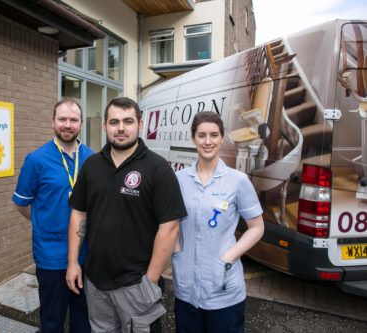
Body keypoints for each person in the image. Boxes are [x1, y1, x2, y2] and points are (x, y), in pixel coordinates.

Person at [66, 97, 187, 333]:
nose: (121, 127)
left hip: (136, 285)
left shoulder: (158, 169)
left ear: (140, 125)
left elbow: (170, 228)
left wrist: (150, 282)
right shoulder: (91, 165)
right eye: (114, 122)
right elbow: (79, 214)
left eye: (128, 121)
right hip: (96, 283)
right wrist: (73, 263)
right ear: (105, 126)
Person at [172, 111, 265, 333]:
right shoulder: (179, 180)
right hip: (186, 290)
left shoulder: (238, 181)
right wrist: (177, 252)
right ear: (193, 138)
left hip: (225, 293)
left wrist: (228, 257)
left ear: (222, 138)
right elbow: (171, 224)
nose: (208, 141)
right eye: (202, 135)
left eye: (214, 135)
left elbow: (257, 227)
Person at [12, 99, 93, 333]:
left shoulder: (92, 159)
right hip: (51, 257)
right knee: (52, 320)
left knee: (84, 318)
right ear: (53, 122)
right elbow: (22, 205)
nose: (67, 125)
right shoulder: (36, 160)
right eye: (62, 119)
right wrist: (45, 222)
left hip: (86, 255)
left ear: (81, 123)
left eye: (73, 120)